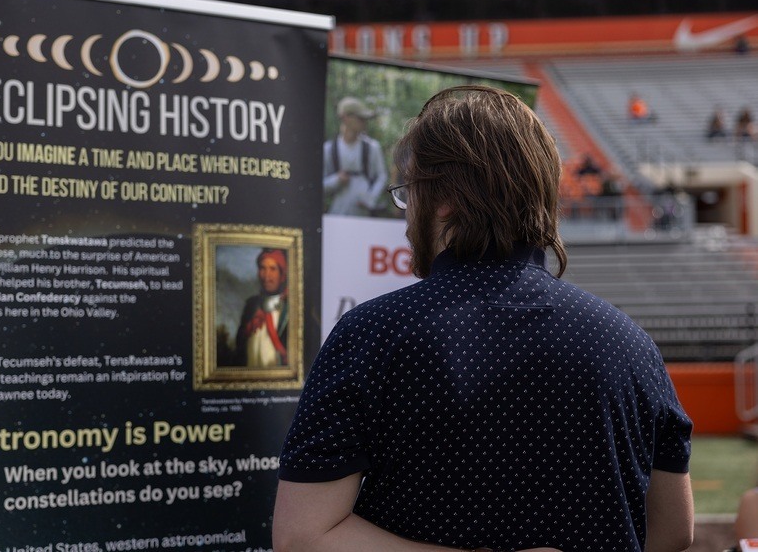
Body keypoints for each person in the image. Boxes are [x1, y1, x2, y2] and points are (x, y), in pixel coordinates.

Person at [274, 85, 693, 552]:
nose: (407, 215)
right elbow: (674, 530)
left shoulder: (373, 334)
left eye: (408, 193)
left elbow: (302, 536)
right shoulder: (630, 343)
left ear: (445, 199)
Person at [323, 96, 388, 216]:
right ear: (345, 118)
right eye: (360, 118)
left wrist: (370, 198)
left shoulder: (372, 147)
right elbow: (320, 185)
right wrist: (336, 180)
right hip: (337, 216)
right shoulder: (329, 149)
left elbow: (382, 176)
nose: (364, 122)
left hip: (365, 217)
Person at [234, 248, 288, 367]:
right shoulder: (251, 304)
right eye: (263, 268)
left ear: (282, 274)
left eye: (273, 269)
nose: (266, 276)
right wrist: (248, 328)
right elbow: (239, 345)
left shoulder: (289, 305)